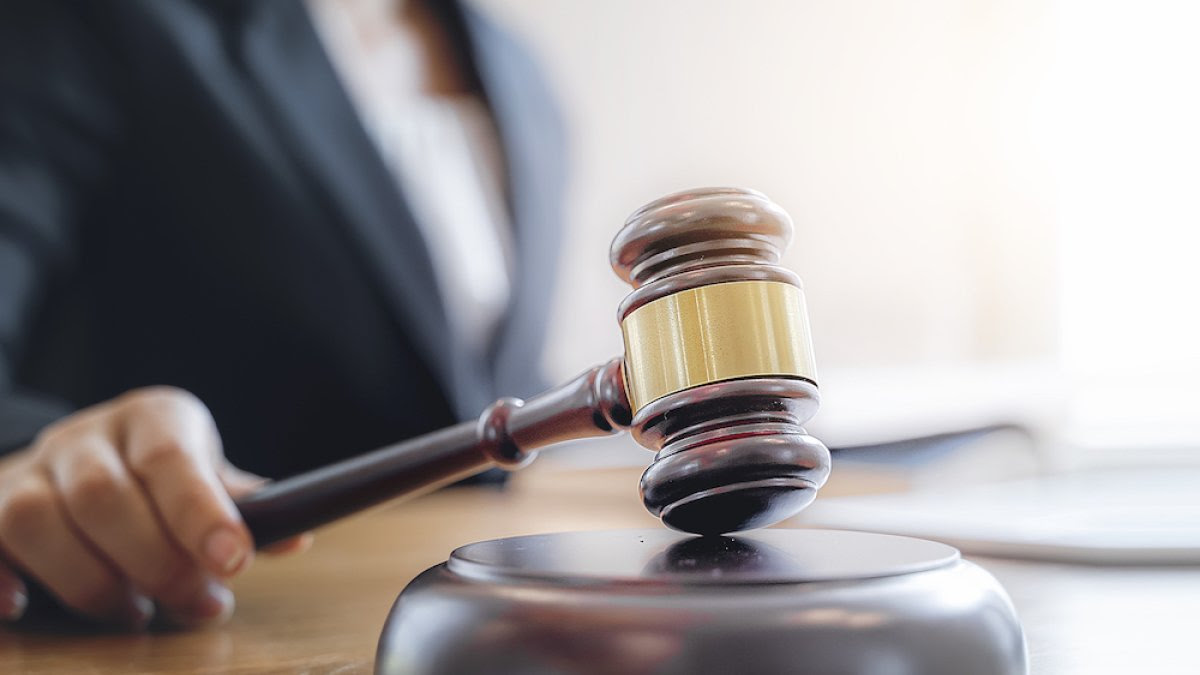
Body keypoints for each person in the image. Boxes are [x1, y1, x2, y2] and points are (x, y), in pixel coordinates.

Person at [0, 0, 565, 629]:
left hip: (480, 632)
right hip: (202, 625)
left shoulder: (518, 69)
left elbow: (474, 375)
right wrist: (31, 454)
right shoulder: (85, 21)